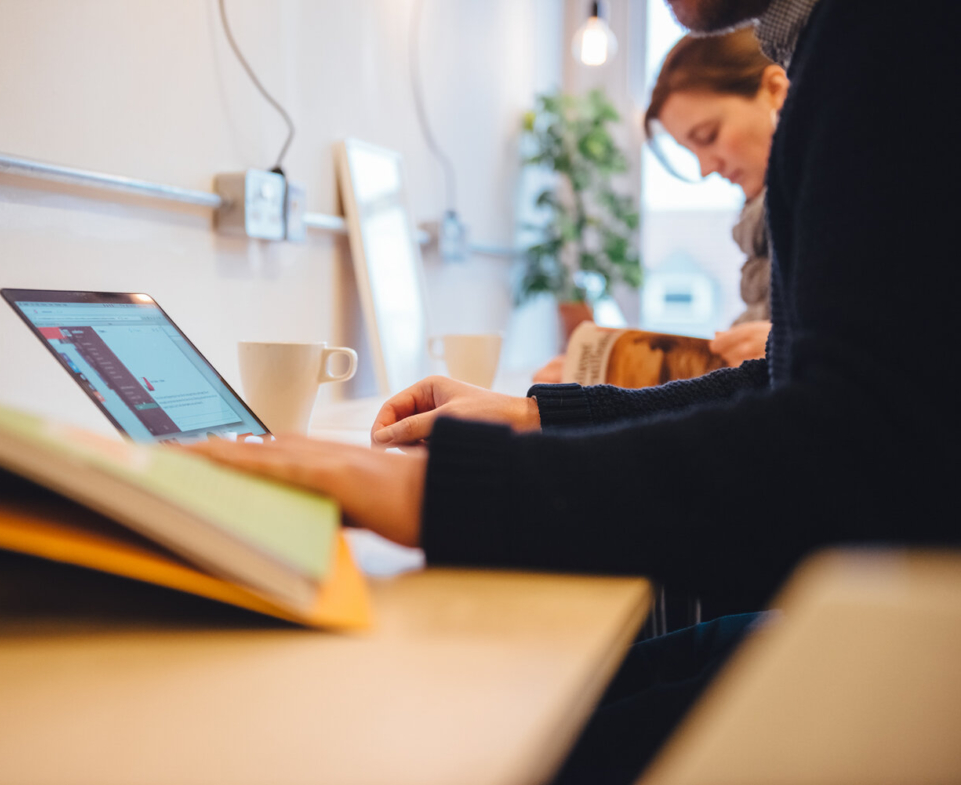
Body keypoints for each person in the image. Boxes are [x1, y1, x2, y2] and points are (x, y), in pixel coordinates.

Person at [190, 0, 960, 780]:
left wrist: (435, 490)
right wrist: (539, 415)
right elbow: (790, 385)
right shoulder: (845, 44)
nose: (706, 165)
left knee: (481, 732)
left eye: (706, 138)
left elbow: (853, 447)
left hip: (914, 661)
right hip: (883, 622)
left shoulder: (893, 34)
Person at [533, 27, 782, 383]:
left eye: (708, 136)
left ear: (775, 90)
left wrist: (784, 347)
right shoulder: (763, 236)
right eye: (691, 151)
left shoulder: (829, 210)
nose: (705, 168)